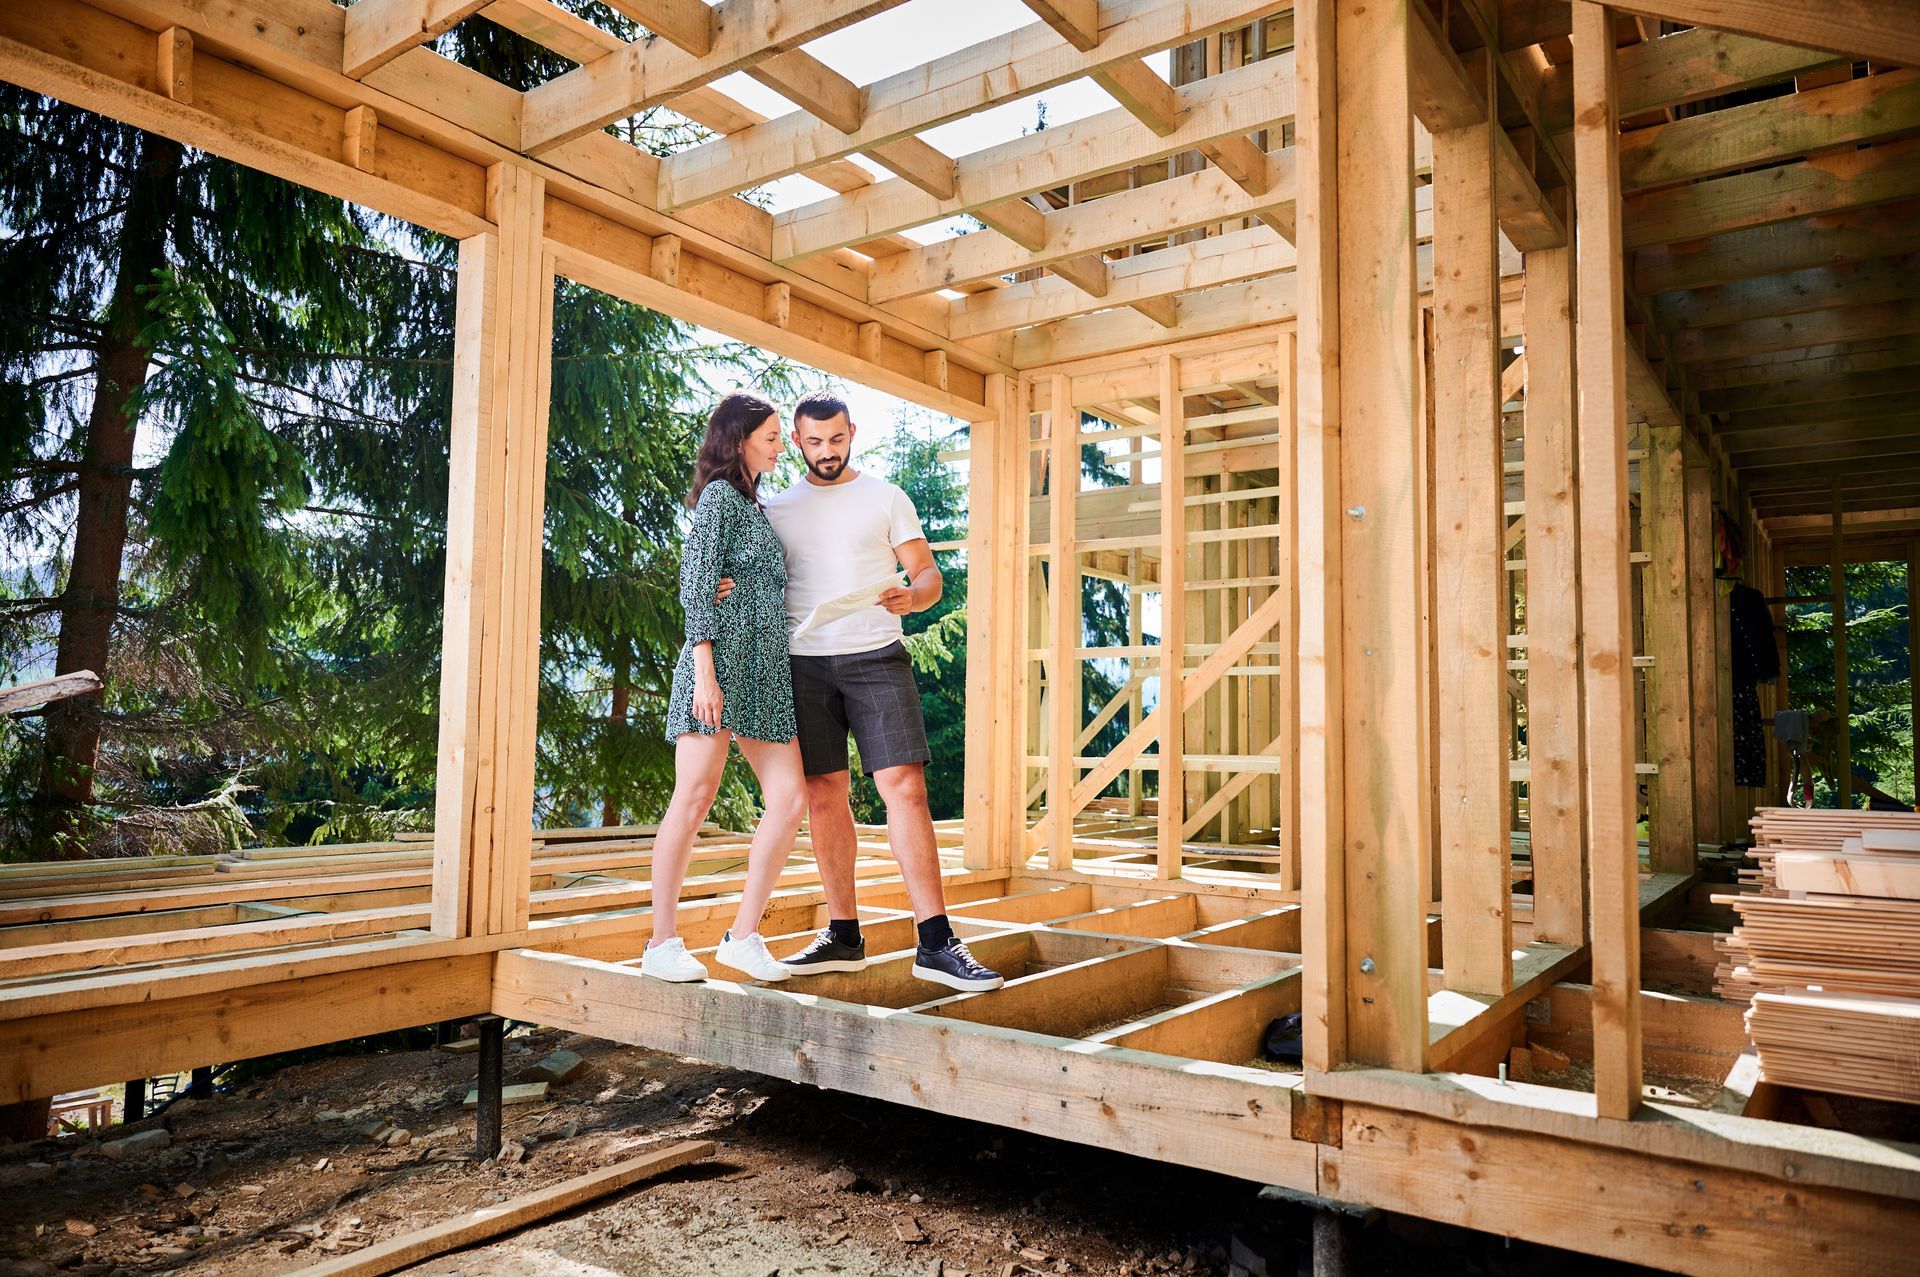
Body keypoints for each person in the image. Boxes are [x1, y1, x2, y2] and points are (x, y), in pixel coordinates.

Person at [758, 391, 1003, 991]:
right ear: (796, 442)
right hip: (803, 664)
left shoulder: (886, 496)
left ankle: (936, 941)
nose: (826, 453)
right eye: (814, 443)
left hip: (876, 657)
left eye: (836, 440)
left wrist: (913, 597)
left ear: (852, 433)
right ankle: (843, 936)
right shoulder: (775, 507)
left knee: (906, 788)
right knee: (822, 794)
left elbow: (929, 577)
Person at [642, 391, 808, 985]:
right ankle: (661, 943)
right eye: (771, 436)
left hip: (764, 670)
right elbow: (696, 583)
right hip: (715, 669)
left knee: (790, 799)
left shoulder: (754, 506)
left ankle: (742, 937)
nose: (780, 445)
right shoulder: (718, 499)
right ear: (739, 439)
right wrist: (706, 673)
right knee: (692, 799)